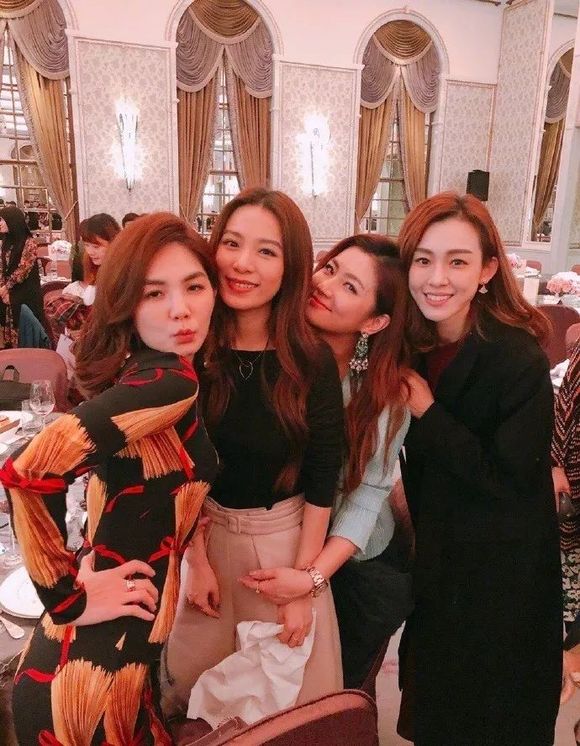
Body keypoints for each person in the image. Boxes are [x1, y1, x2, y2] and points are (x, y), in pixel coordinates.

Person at [0, 213, 218, 744]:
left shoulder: (146, 368)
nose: (181, 309)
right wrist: (67, 597)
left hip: (104, 656)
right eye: (154, 293)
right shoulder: (171, 381)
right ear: (126, 303)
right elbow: (29, 468)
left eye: (194, 286)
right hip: (91, 678)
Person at [162, 188, 345, 718]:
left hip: (283, 549)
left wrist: (304, 588)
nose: (243, 264)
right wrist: (195, 557)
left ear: (291, 268)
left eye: (266, 251)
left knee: (283, 710)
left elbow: (322, 479)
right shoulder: (190, 349)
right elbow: (174, 464)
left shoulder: (310, 360)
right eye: (232, 243)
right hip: (203, 540)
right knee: (194, 702)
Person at [396, 192, 562, 745]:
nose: (436, 278)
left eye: (458, 261)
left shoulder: (517, 358)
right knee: (438, 711)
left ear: (488, 269)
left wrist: (429, 413)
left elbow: (507, 481)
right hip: (440, 563)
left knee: (492, 717)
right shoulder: (413, 345)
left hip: (502, 575)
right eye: (423, 259)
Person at [241, 234, 414, 688]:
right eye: (330, 268)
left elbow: (368, 495)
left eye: (350, 287)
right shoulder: (274, 358)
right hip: (278, 543)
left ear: (374, 322)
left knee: (334, 694)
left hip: (354, 566)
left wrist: (311, 580)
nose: (326, 285)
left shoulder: (385, 394)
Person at [54, 213, 120, 379]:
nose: (90, 252)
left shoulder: (121, 276)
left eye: (96, 246)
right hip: (93, 350)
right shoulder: (98, 270)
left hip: (111, 354)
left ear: (114, 243)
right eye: (87, 245)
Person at [0, 205, 44, 348]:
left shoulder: (29, 243)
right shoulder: (6, 241)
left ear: (12, 221)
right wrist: (2, 288)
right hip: (9, 291)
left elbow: (22, 270)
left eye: (2, 220)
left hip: (25, 293)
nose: (0, 223)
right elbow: (2, 267)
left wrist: (6, 288)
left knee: (25, 336)